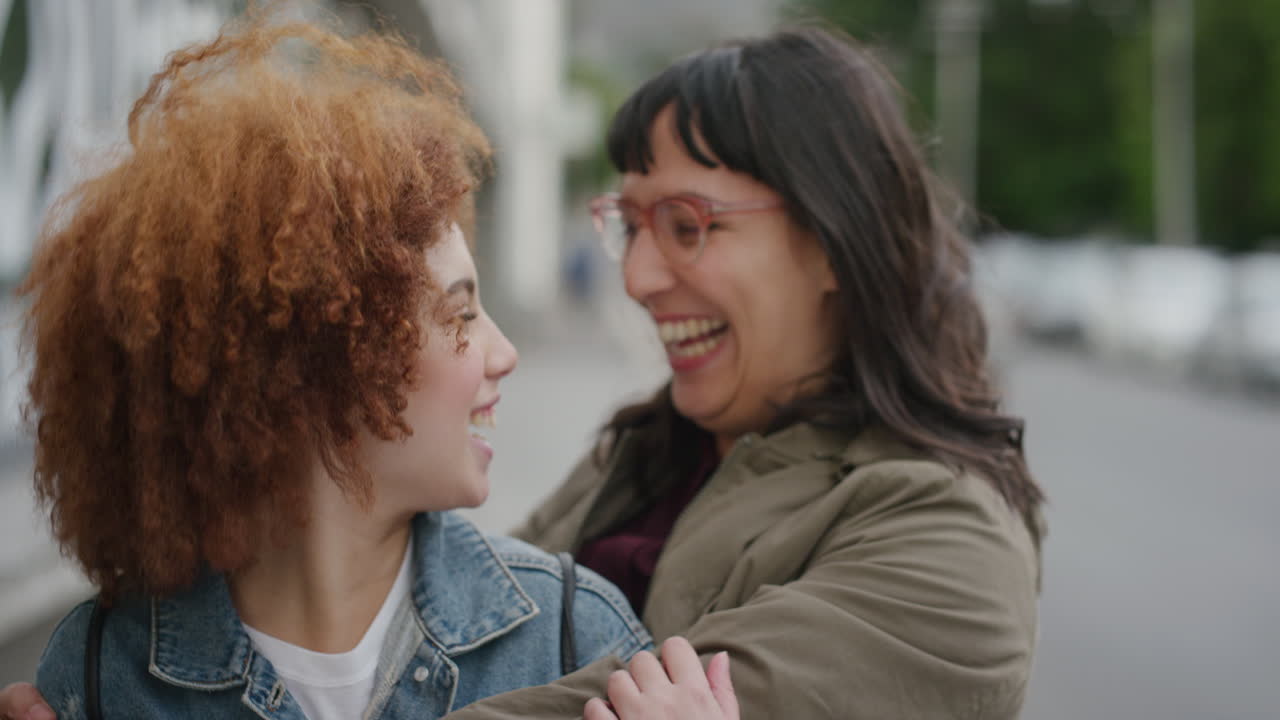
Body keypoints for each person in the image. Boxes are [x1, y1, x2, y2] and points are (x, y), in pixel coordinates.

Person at [3, 22, 1042, 720]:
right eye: (626, 224)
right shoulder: (642, 459)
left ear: (829, 241)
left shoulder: (943, 534)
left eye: (686, 226)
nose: (635, 276)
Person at [3, 12, 693, 720]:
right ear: (315, 358)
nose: (503, 352)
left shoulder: (573, 642)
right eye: (459, 314)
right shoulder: (100, 676)